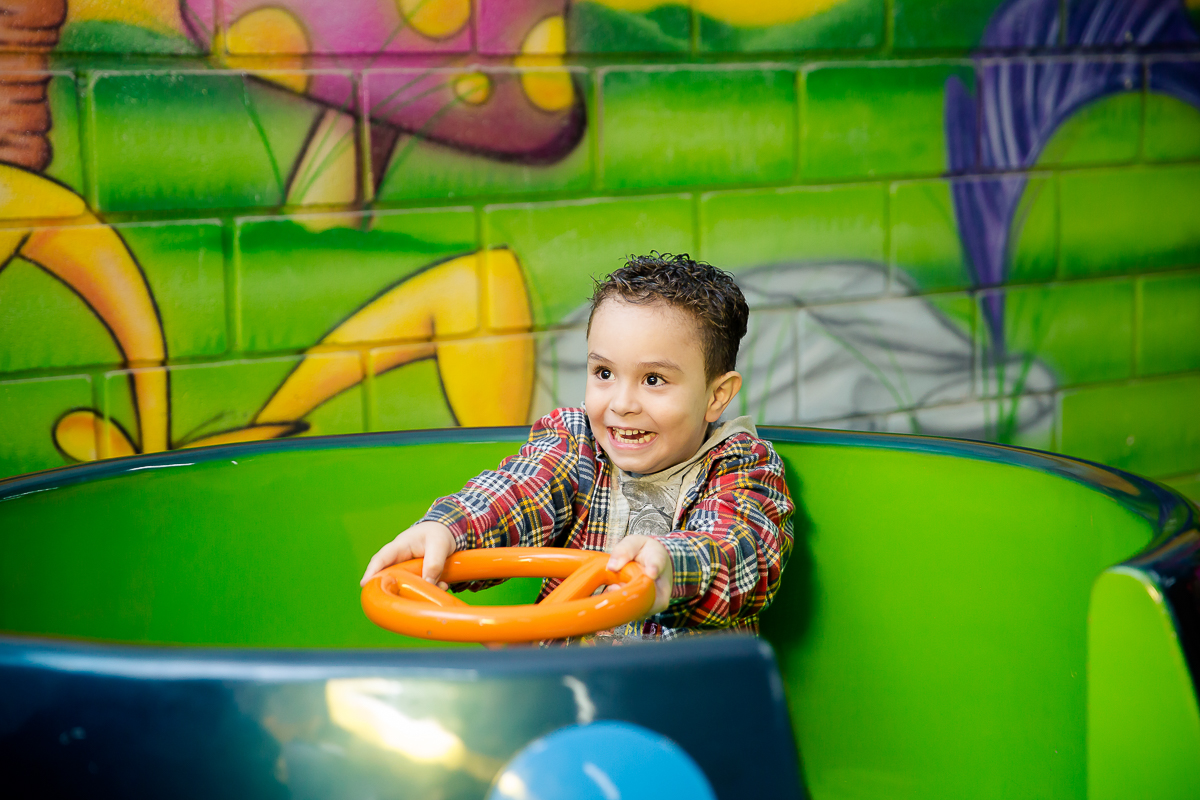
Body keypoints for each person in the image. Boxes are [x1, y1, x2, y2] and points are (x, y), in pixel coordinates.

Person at [360, 253, 795, 640]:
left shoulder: (741, 467)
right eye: (604, 373)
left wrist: (671, 564)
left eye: (653, 379)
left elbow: (740, 551)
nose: (621, 404)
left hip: (682, 697)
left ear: (717, 396)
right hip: (568, 689)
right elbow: (518, 492)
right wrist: (449, 529)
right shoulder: (577, 443)